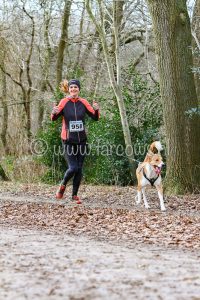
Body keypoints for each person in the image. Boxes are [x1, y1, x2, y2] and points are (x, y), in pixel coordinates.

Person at [51, 79, 100, 204]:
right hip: (68, 140)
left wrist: (97, 109)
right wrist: (54, 112)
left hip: (82, 141)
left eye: (76, 87)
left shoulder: (83, 102)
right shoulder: (64, 102)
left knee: (79, 169)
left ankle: (74, 195)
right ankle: (62, 187)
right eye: (71, 87)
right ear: (69, 89)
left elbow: (95, 117)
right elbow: (54, 118)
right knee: (73, 167)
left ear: (79, 89)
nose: (73, 89)